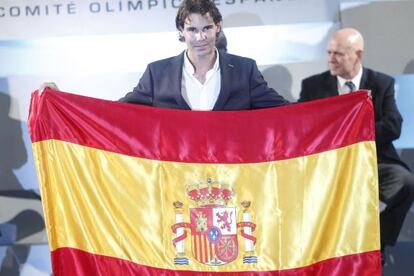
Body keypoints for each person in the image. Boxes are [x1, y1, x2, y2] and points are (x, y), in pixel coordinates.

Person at [298, 28, 414, 263]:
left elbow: (393, 125)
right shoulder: (313, 86)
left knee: (406, 183)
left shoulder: (381, 83)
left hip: (374, 161)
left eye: (338, 54)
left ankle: (377, 242)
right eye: (329, 52)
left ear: (358, 55)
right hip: (330, 164)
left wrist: (355, 136)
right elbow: (301, 125)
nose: (331, 59)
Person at [118, 0, 288, 110]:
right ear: (181, 31)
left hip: (230, 164)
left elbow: (284, 111)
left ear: (218, 27)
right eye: (192, 30)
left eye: (207, 28)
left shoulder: (245, 69)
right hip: (178, 165)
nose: (201, 37)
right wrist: (90, 114)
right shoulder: (156, 73)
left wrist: (315, 113)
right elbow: (119, 112)